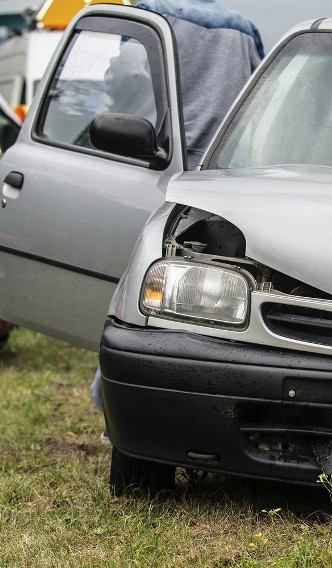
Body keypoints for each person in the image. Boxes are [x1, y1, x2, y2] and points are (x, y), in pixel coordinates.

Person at [91, 0, 264, 430]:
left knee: (142, 294)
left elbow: (126, 77)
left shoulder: (151, 14)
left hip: (173, 174)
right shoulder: (241, 28)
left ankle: (117, 402)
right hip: (231, 178)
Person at [136, 0, 264, 168]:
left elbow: (127, 75)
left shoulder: (154, 12)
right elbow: (263, 96)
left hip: (158, 161)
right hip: (224, 165)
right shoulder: (245, 29)